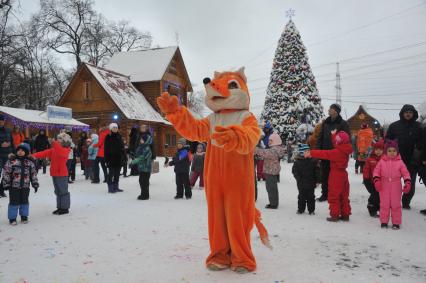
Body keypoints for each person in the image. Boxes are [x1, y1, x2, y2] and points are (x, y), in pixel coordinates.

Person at [306, 130, 353, 222]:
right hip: (344, 175)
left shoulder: (336, 152)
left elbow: (324, 153)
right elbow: (337, 143)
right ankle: (345, 214)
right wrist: (333, 135)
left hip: (336, 175)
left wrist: (311, 153)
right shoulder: (345, 149)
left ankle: (334, 215)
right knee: (344, 196)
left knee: (333, 195)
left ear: (339, 141)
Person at [386, 104, 423, 209]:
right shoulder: (394, 126)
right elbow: (387, 141)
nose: (408, 114)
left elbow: (423, 142)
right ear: (402, 113)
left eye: (410, 112)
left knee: (410, 185)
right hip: (396, 160)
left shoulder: (419, 127)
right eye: (406, 112)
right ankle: (392, 200)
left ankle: (406, 202)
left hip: (413, 161)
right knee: (393, 183)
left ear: (414, 114)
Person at [373, 140, 411, 230]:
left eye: (394, 151)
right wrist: (377, 181)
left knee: (396, 204)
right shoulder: (382, 161)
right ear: (386, 151)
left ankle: (396, 222)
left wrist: (407, 182)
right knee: (384, 204)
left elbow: (406, 173)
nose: (392, 153)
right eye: (389, 151)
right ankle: (384, 221)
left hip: (396, 185)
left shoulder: (400, 162)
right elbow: (376, 172)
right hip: (384, 185)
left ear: (397, 151)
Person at [316, 104, 350, 202]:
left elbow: (346, 139)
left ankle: (336, 195)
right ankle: (325, 194)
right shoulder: (325, 123)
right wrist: (318, 150)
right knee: (325, 174)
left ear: (336, 111)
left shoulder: (343, 123)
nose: (329, 110)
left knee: (335, 176)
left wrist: (344, 152)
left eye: (331, 108)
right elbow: (320, 137)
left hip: (337, 154)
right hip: (325, 153)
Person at [32, 132, 72, 215]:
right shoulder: (55, 149)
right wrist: (33, 155)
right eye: (58, 139)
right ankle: (60, 207)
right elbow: (44, 153)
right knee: (57, 191)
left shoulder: (66, 149)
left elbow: (61, 153)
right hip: (55, 173)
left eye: (60, 139)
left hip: (62, 174)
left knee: (63, 191)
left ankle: (65, 208)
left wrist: (54, 143)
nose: (58, 141)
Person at [2, 143, 39, 225]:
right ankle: (12, 218)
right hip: (13, 187)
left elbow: (33, 174)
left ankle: (24, 216)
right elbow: (6, 172)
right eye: (18, 150)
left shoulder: (29, 162)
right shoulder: (12, 161)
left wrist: (35, 183)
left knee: (24, 202)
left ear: (26, 152)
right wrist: (6, 183)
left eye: (22, 150)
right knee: (14, 202)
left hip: (25, 186)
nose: (20, 152)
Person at [254, 133, 285, 209]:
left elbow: (265, 153)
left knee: (271, 188)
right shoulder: (276, 149)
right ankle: (273, 202)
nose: (269, 142)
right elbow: (267, 156)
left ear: (276, 141)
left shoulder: (275, 150)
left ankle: (273, 204)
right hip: (270, 170)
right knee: (270, 187)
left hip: (271, 171)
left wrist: (255, 149)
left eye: (271, 140)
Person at [292, 144, 319, 215]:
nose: (309, 152)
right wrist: (298, 178)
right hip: (301, 183)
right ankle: (301, 209)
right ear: (302, 153)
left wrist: (317, 181)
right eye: (306, 151)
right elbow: (294, 171)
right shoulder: (297, 162)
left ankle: (311, 210)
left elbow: (317, 171)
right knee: (301, 197)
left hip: (311, 182)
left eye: (309, 151)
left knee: (311, 197)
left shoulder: (313, 161)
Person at [362, 139, 384, 218]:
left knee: (380, 196)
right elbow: (366, 170)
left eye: (380, 150)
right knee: (374, 195)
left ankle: (379, 207)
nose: (378, 151)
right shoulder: (370, 159)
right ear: (374, 150)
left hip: (382, 182)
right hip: (372, 182)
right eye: (376, 150)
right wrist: (366, 179)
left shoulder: (384, 159)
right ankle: (371, 208)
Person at [104, 123, 125, 193]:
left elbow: (122, 148)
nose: (115, 129)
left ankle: (116, 187)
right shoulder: (108, 137)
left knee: (117, 174)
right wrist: (106, 159)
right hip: (111, 159)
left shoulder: (119, 136)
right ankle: (110, 188)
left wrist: (124, 156)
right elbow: (106, 149)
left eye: (116, 128)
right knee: (111, 174)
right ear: (111, 129)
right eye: (114, 128)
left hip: (119, 158)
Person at [131, 134, 152, 200]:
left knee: (144, 182)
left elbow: (142, 157)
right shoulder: (141, 147)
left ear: (146, 140)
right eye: (141, 139)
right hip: (142, 167)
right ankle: (145, 194)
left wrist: (134, 161)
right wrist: (132, 154)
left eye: (142, 139)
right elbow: (138, 155)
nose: (140, 140)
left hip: (146, 168)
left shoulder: (147, 148)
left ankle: (144, 195)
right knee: (142, 181)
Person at [0, 114, 14, 197]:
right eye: (0, 121)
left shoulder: (8, 130)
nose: (1, 122)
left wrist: (14, 152)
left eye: (2, 121)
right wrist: (1, 144)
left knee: (6, 173)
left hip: (7, 155)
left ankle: (1, 190)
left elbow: (12, 142)